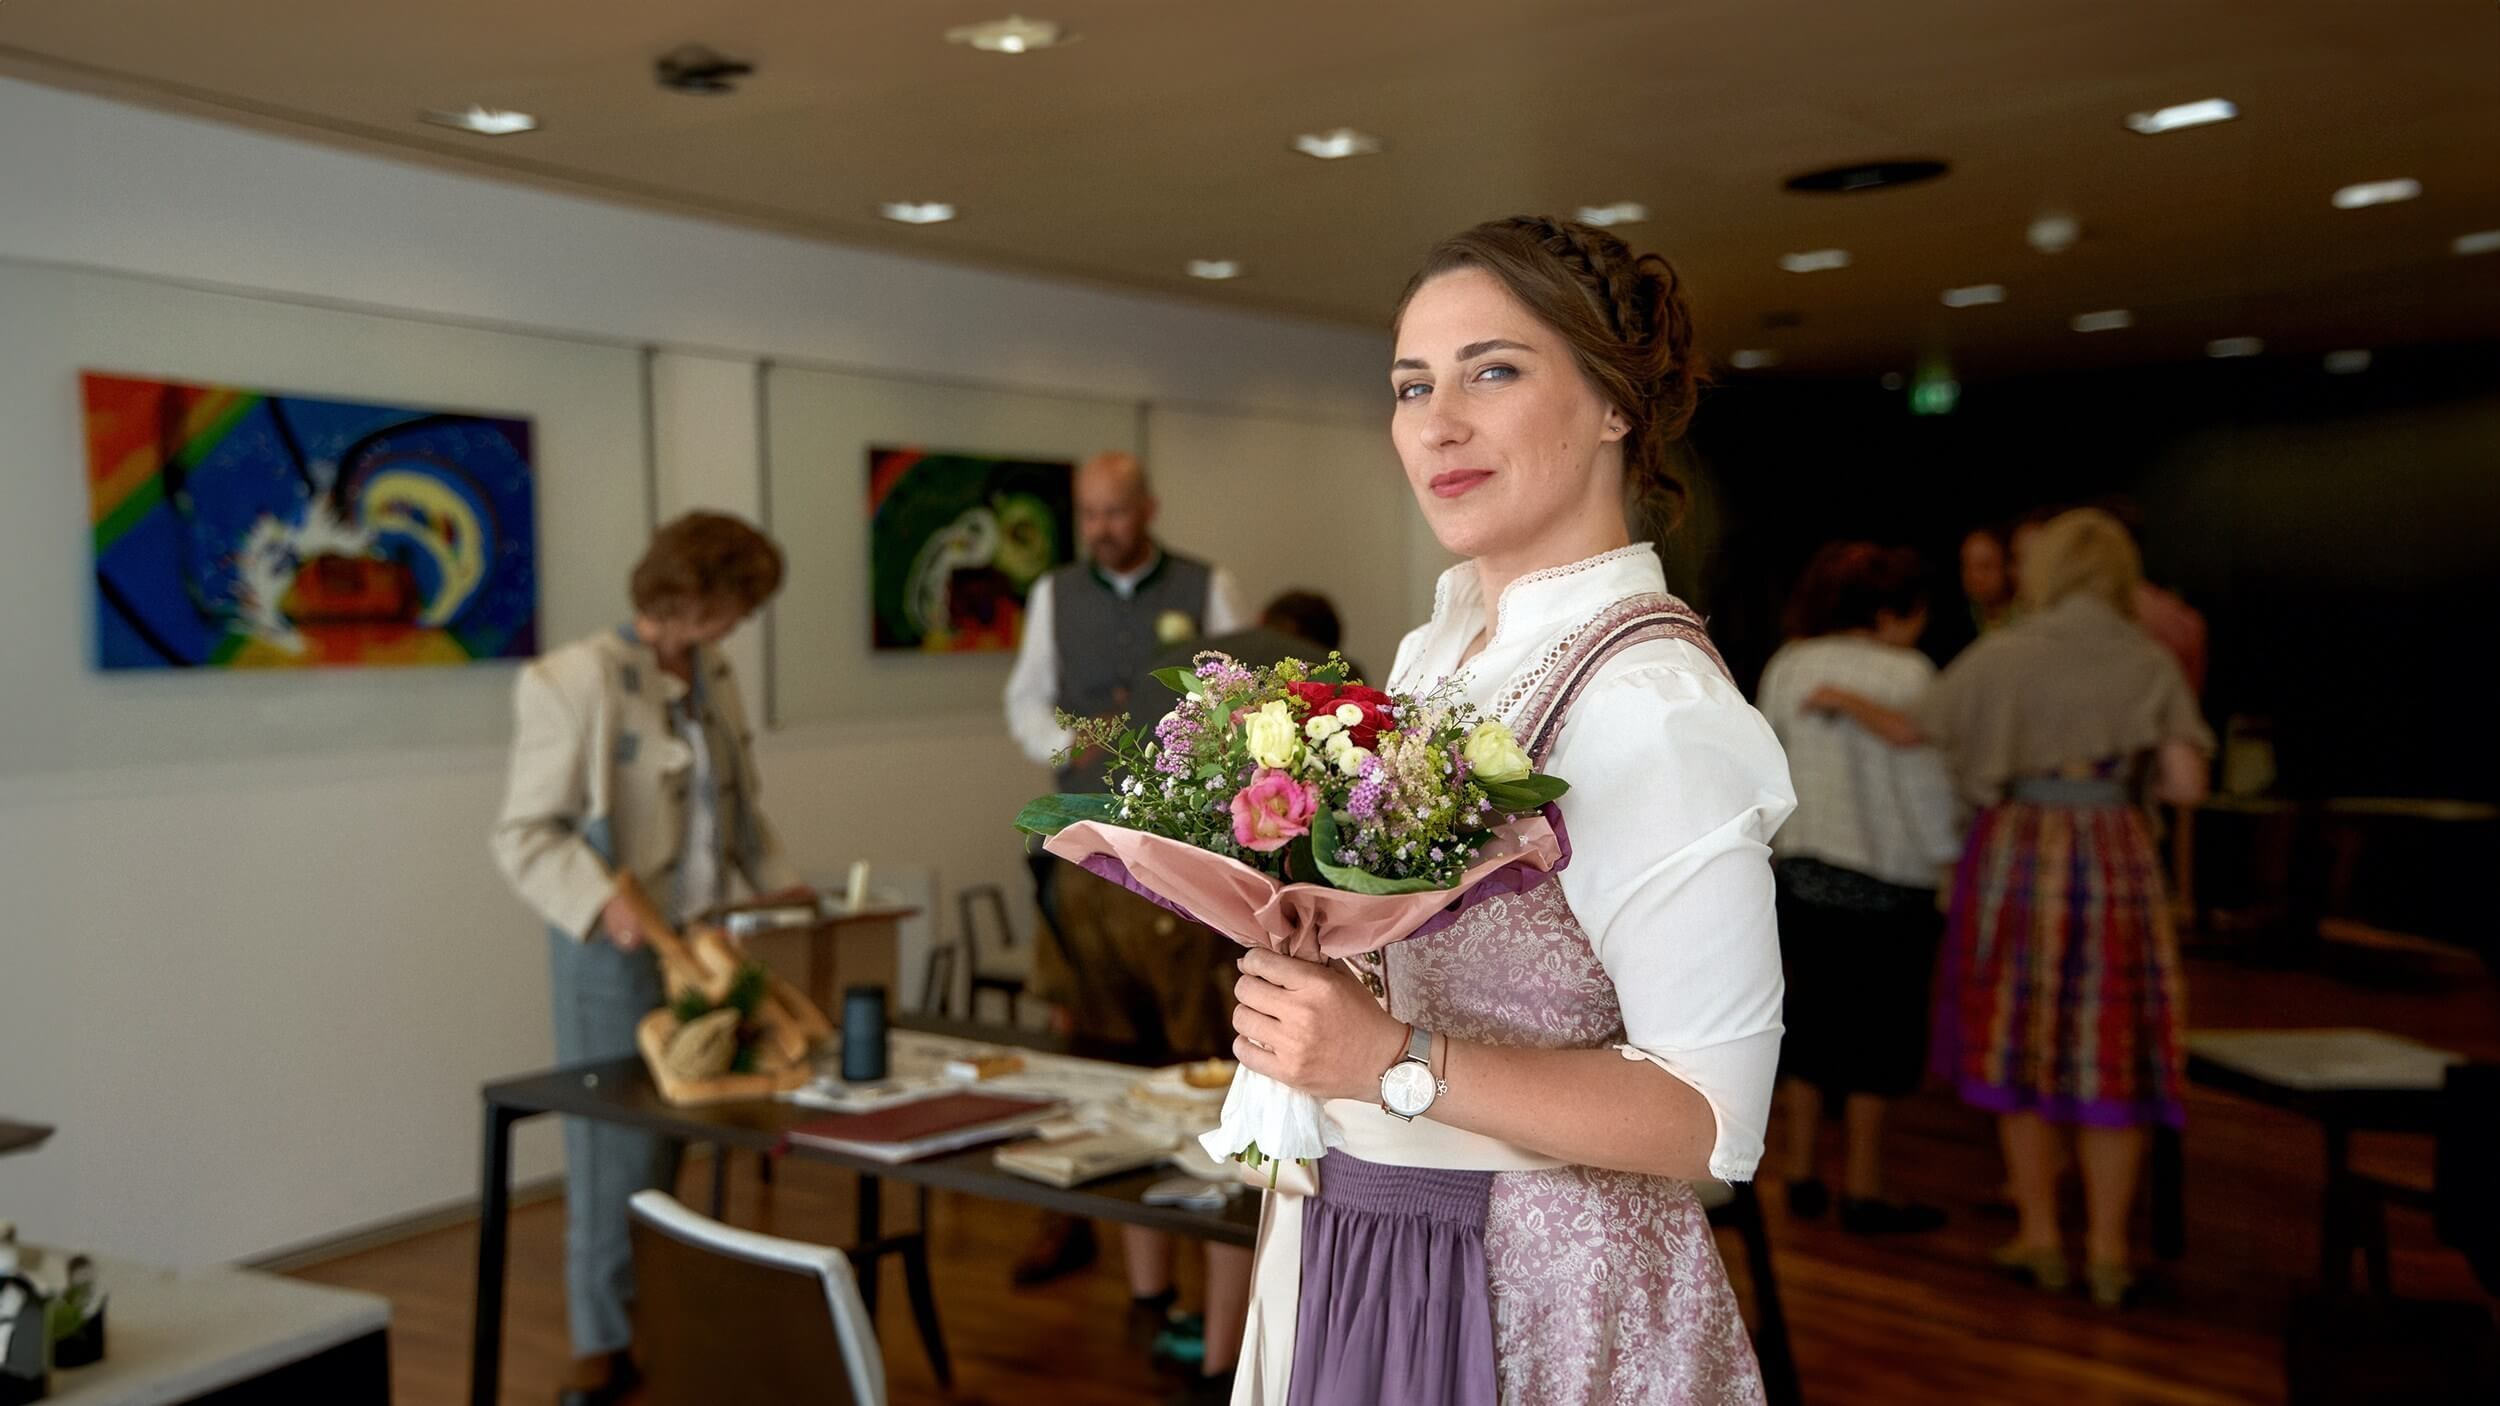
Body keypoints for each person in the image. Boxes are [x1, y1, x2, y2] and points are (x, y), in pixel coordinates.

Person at [1224, 216, 1793, 1404]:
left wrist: (1394, 1057)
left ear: (1613, 405)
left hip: (1535, 1287)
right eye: (1410, 384)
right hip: (1371, 1235)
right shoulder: (1438, 655)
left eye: (1494, 369)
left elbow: (1708, 1120)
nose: (1438, 422)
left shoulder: (1651, 703)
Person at [1807, 508, 2212, 1308]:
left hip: (2019, 854)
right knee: (2110, 1048)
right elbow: (2185, 785)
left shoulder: (2002, 654)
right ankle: (2106, 1252)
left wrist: (1841, 698)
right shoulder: (2147, 657)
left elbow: (1911, 729)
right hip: (2115, 861)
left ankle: (2039, 1237)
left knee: (2020, 1042)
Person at [490, 512, 810, 1406]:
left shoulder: (714, 673)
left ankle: (654, 1323)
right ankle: (599, 1345)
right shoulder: (573, 680)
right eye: (736, 600)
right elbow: (525, 836)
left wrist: (781, 891)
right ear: (689, 594)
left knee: (683, 1132)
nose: (743, 620)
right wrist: (604, 905)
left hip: (705, 942)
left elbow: (741, 808)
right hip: (614, 948)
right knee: (612, 1150)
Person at [1002, 451, 1252, 1394]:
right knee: (1105, 1057)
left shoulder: (1206, 583)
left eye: (1117, 510)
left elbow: (1245, 690)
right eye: (1090, 514)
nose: (1103, 526)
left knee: (1193, 1056)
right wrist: (1076, 740)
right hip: (1086, 850)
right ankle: (1137, 1278)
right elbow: (1027, 702)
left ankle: (1213, 1265)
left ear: (1147, 506)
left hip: (1182, 851)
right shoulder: (1053, 595)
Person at [1755, 543, 1960, 1234]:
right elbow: (1929, 787)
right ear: (1891, 610)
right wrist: (1949, 859)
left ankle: (1800, 1173)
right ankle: (1866, 1189)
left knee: (1809, 1022)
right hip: (1890, 876)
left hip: (1805, 870)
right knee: (1883, 1034)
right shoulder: (1909, 673)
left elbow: (1764, 768)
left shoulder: (1790, 664)